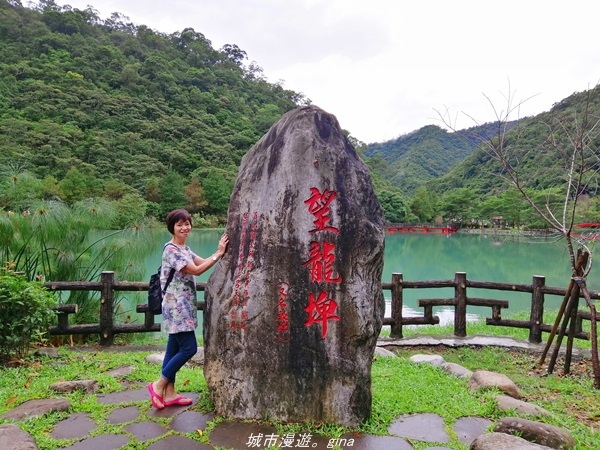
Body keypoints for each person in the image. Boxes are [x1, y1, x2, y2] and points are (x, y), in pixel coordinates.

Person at [148, 208, 229, 409]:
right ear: (172, 228)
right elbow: (196, 270)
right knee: (189, 348)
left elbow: (202, 262)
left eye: (187, 223)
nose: (185, 227)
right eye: (179, 224)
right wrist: (218, 253)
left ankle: (170, 394)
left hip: (183, 306)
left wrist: (220, 252)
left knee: (173, 347)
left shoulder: (184, 249)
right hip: (176, 308)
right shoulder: (172, 250)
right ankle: (158, 385)